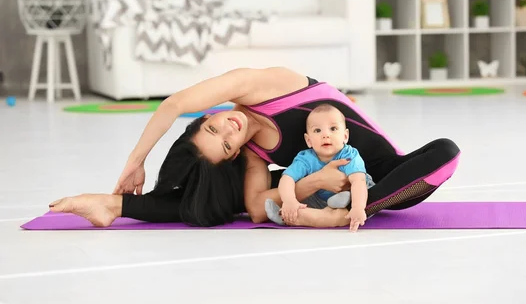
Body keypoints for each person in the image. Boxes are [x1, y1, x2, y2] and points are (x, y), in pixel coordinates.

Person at [49, 67, 461, 230]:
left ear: (204, 118)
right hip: (328, 188)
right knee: (214, 200)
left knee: (446, 151)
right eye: (226, 145)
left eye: (212, 127)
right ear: (231, 155)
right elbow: (256, 207)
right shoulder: (252, 156)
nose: (229, 128)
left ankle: (358, 206)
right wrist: (313, 181)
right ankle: (112, 206)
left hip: (389, 176)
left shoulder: (262, 87)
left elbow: (173, 103)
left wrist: (136, 163)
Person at [265, 103, 375, 232]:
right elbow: (287, 178)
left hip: (357, 194)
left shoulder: (349, 155)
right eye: (317, 130)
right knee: (300, 192)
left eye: (333, 129)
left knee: (363, 192)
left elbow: (358, 182)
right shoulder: (305, 158)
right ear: (308, 140)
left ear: (345, 136)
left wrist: (358, 208)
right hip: (322, 199)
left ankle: (290, 218)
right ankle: (290, 212)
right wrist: (289, 201)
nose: (325, 135)